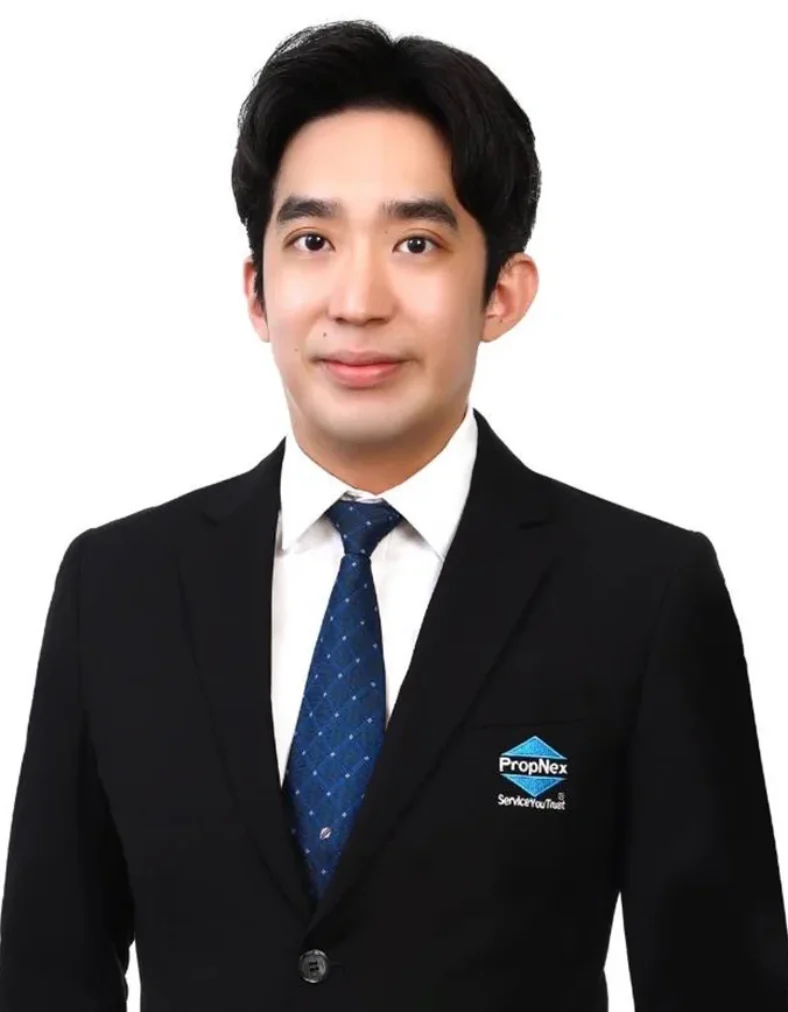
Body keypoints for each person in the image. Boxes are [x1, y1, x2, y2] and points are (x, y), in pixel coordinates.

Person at [1, 17, 786, 1011]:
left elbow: (721, 982)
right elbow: (45, 973)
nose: (358, 299)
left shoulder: (641, 594)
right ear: (257, 291)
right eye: (313, 241)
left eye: (416, 242)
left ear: (501, 292)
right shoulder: (117, 588)